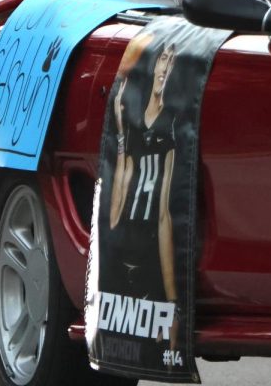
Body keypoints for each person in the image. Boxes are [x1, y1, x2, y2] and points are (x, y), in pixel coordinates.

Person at [107, 40, 178, 342]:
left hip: (148, 254)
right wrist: (109, 231)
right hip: (119, 247)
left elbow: (164, 214)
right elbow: (122, 173)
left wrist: (173, 299)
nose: (166, 68)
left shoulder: (172, 125)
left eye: (172, 62)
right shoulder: (131, 114)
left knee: (156, 341)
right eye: (163, 59)